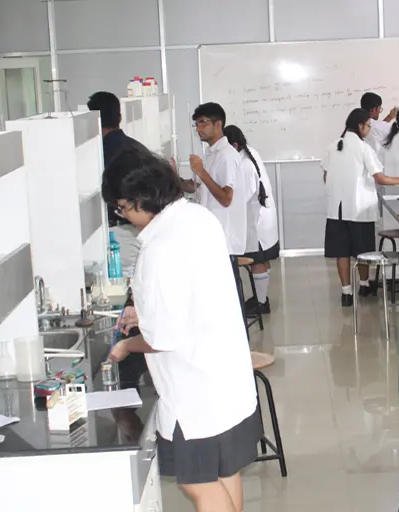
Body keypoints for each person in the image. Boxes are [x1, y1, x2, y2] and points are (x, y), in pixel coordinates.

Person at [103, 149, 260, 512]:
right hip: (225, 372)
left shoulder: (159, 248)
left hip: (195, 389)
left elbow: (163, 338)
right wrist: (145, 312)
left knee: (198, 482)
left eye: (123, 208)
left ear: (140, 199)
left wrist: (127, 346)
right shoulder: (196, 216)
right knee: (224, 470)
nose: (125, 217)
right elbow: (192, 292)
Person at [323, 108, 399, 307]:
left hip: (336, 210)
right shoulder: (363, 148)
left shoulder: (333, 146)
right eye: (368, 125)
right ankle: (364, 286)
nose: (368, 129)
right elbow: (380, 178)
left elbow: (326, 176)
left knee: (342, 251)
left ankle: (346, 293)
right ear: (360, 126)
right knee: (362, 250)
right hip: (359, 209)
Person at [87, 91, 152, 274]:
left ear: (95, 120)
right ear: (120, 117)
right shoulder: (137, 147)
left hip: (119, 234)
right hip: (140, 230)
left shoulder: (97, 154)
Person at [224, 125, 279, 316]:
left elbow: (241, 197)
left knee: (257, 261)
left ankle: (261, 303)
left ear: (234, 145)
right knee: (262, 259)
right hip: (263, 218)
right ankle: (260, 297)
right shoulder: (249, 152)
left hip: (257, 222)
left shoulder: (244, 165)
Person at [182, 102, 247, 257]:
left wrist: (201, 171)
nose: (198, 129)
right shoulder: (211, 153)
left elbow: (226, 199)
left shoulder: (227, 155)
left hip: (225, 238)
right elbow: (195, 186)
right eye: (196, 124)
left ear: (218, 124)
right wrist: (171, 175)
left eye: (203, 123)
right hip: (212, 233)